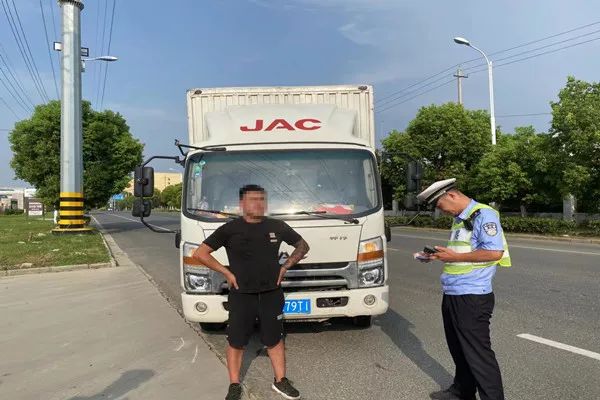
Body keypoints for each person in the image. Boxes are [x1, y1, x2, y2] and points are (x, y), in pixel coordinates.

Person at [192, 184, 309, 400]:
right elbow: (200, 253)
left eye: (262, 199)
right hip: (241, 294)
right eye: (253, 199)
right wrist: (226, 272)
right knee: (236, 341)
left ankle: (280, 380)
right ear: (242, 204)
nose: (258, 203)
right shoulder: (230, 229)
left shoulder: (277, 226)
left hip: (271, 293)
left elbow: (303, 246)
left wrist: (285, 266)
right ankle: (234, 384)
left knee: (275, 339)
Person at [416, 178, 511, 400]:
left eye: (440, 205)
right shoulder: (461, 219)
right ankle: (462, 392)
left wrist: (454, 257)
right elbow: (463, 252)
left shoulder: (483, 215)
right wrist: (436, 256)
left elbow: (494, 252)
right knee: (459, 349)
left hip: (472, 295)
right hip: (454, 292)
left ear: (452, 195)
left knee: (478, 355)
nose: (441, 211)